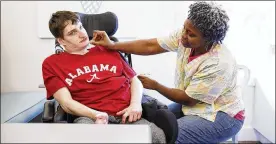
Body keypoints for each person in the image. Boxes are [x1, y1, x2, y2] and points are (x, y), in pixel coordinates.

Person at [90, 1, 245, 143]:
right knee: (153, 122)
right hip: (195, 105)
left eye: (191, 34)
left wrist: (156, 86)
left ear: (209, 39)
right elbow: (150, 45)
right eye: (185, 28)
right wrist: (112, 46)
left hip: (221, 115)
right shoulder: (185, 35)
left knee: (165, 136)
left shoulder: (218, 62)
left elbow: (189, 99)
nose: (183, 35)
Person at [42, 10, 166, 143]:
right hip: (90, 117)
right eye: (72, 33)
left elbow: (134, 79)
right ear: (61, 41)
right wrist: (95, 114)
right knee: (86, 138)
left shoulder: (108, 50)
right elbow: (66, 103)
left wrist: (135, 105)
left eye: (80, 27)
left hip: (126, 114)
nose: (81, 34)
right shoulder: (52, 63)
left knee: (156, 137)